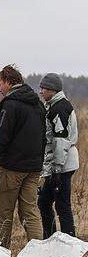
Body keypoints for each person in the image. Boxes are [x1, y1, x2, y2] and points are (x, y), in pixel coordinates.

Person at [0, 65, 46, 249]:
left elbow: (0, 139)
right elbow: (44, 136)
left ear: (9, 82)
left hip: (12, 169)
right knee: (30, 212)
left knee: (4, 214)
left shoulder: (10, 105)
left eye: (0, 84)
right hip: (34, 169)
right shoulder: (38, 104)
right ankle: (39, 254)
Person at [37, 73, 79, 238]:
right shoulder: (55, 105)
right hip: (60, 164)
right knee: (44, 202)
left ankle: (70, 243)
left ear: (52, 90)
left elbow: (60, 141)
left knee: (62, 205)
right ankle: (51, 239)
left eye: (43, 88)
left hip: (62, 165)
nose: (40, 91)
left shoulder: (59, 108)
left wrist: (56, 170)